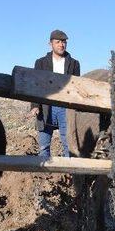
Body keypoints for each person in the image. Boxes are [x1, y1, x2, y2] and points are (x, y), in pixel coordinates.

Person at [29, 29, 80, 157]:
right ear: (50, 44)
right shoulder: (40, 63)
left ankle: (69, 174)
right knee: (44, 146)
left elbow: (77, 88)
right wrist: (35, 106)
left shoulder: (74, 64)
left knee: (68, 145)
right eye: (58, 42)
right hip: (46, 107)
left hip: (66, 108)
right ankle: (44, 175)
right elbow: (36, 86)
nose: (61, 45)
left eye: (64, 42)